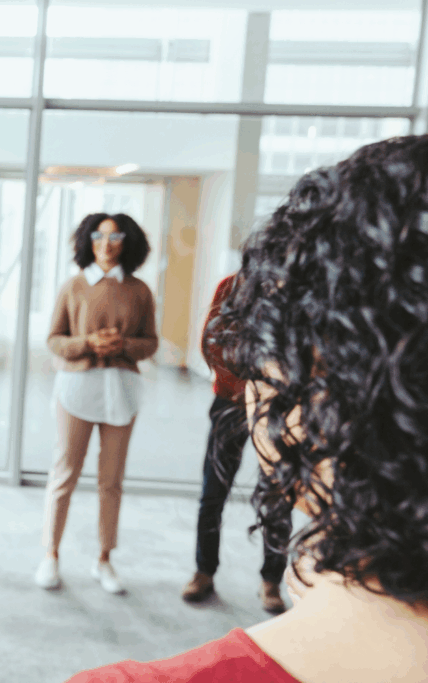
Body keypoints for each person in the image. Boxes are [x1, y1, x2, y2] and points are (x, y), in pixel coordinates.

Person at [66, 136, 428, 682]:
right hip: (196, 404)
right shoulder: (209, 292)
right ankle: (204, 570)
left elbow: (160, 341)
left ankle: (263, 576)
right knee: (208, 494)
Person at [34, 213, 157, 594]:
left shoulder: (139, 290)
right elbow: (54, 340)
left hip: (121, 389)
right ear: (88, 241)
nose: (107, 244)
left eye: (115, 236)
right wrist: (88, 343)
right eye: (99, 236)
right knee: (65, 473)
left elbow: (150, 342)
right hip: (76, 388)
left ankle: (104, 558)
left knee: (111, 480)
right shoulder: (73, 286)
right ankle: (50, 553)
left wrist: (123, 345)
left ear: (127, 242)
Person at [181, 273, 291, 613]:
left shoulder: (299, 289)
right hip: (230, 400)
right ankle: (204, 571)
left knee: (277, 495)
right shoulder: (233, 285)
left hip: (278, 406)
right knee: (213, 491)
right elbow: (212, 342)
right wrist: (247, 390)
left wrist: (271, 390)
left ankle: (271, 580)